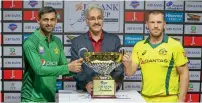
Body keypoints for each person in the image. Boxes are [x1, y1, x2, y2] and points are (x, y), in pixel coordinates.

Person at [122, 10, 189, 102]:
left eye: (159, 22)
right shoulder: (139, 46)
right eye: (152, 22)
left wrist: (181, 99)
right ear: (147, 24)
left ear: (164, 24)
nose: (156, 26)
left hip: (169, 99)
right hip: (145, 99)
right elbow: (130, 72)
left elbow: (184, 73)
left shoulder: (175, 45)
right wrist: (127, 65)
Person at [21, 6, 83, 102]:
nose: (49, 23)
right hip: (31, 99)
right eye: (45, 20)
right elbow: (39, 70)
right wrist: (68, 68)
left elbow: (64, 68)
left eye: (52, 20)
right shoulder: (30, 42)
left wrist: (77, 67)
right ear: (38, 21)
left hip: (50, 97)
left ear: (56, 21)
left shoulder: (57, 41)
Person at [70, 4, 124, 93]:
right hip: (85, 92)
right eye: (92, 18)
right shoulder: (77, 42)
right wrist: (86, 84)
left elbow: (119, 68)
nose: (96, 22)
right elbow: (76, 70)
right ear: (87, 21)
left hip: (109, 91)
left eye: (99, 18)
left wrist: (115, 83)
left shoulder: (114, 40)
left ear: (103, 19)